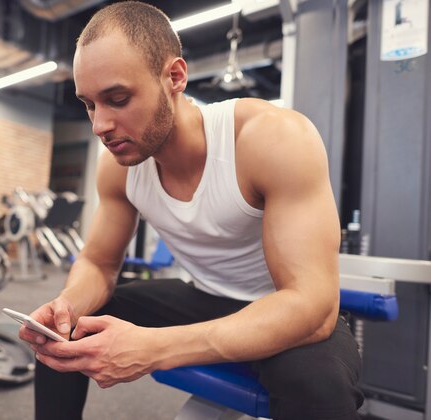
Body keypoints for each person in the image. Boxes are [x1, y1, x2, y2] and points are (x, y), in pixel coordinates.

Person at [19, 2, 363, 419]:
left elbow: (311, 304)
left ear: (175, 77)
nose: (100, 125)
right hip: (201, 296)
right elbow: (98, 261)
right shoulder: (117, 167)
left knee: (320, 389)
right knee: (61, 334)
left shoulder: (269, 139)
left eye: (118, 98)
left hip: (283, 306)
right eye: (90, 104)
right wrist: (68, 304)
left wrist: (154, 349)